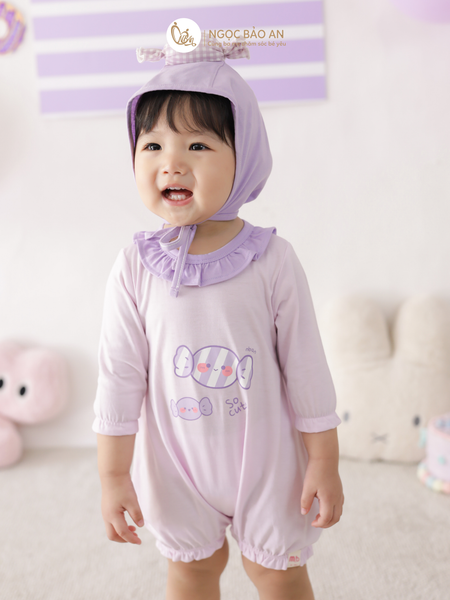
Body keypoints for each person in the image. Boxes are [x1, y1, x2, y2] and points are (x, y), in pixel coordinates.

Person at [93, 30, 344, 600]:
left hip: (268, 461)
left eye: (198, 146)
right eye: (152, 146)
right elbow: (119, 377)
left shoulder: (272, 260)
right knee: (191, 570)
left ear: (244, 156)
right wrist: (112, 475)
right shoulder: (135, 266)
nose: (171, 163)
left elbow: (306, 368)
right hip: (174, 464)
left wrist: (324, 461)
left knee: (278, 572)